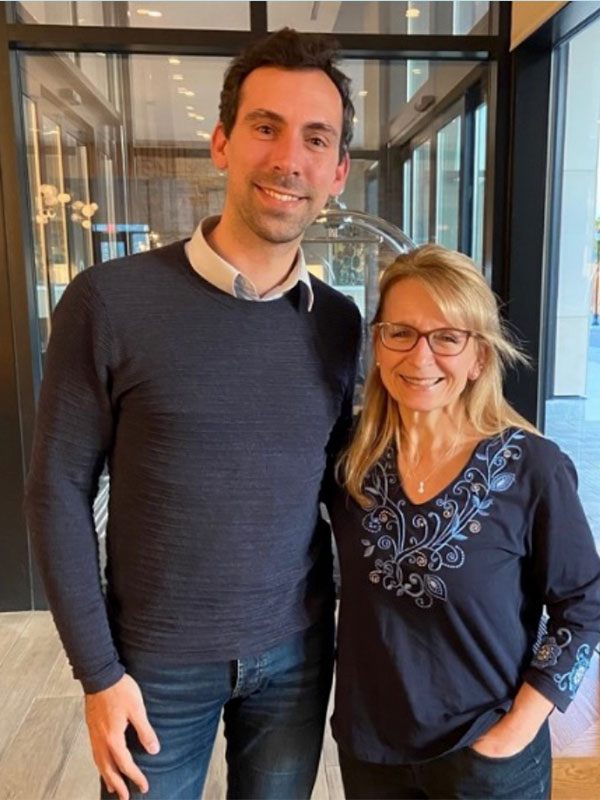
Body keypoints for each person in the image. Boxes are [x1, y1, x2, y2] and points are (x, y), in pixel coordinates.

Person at [24, 28, 361, 800]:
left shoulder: (339, 323)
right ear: (221, 143)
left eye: (316, 139)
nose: (290, 159)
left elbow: (340, 486)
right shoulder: (110, 302)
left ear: (338, 171)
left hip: (297, 656)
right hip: (153, 662)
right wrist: (97, 673)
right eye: (266, 127)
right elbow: (56, 491)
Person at [330, 244, 600, 800]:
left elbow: (585, 606)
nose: (420, 356)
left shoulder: (531, 467)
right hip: (371, 753)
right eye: (401, 332)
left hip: (487, 757)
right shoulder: (351, 460)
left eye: (447, 338)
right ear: (378, 343)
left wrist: (515, 731)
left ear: (478, 356)